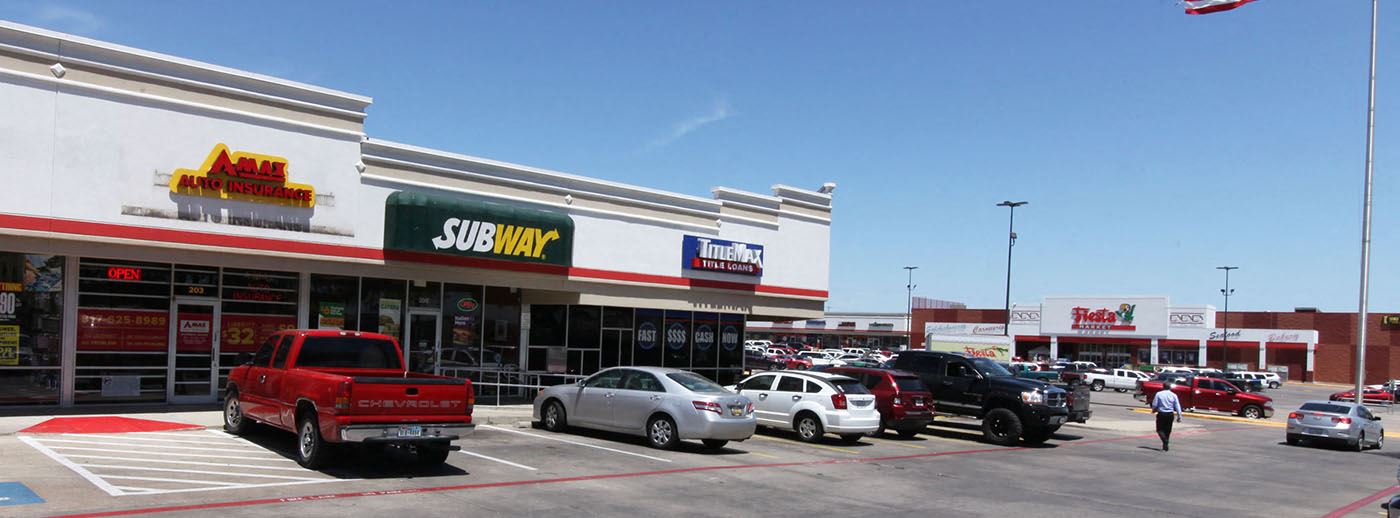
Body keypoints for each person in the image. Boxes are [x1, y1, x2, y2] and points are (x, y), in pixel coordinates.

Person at [1151, 382, 1184, 451]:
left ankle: (1165, 441)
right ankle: (1165, 444)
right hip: (1170, 414)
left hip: (1162, 414)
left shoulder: (1159, 394)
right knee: (1167, 430)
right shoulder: (1173, 395)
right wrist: (1179, 416)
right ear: (1170, 388)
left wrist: (1154, 409)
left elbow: (1155, 404)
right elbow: (1177, 406)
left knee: (1159, 429)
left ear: (1163, 387)